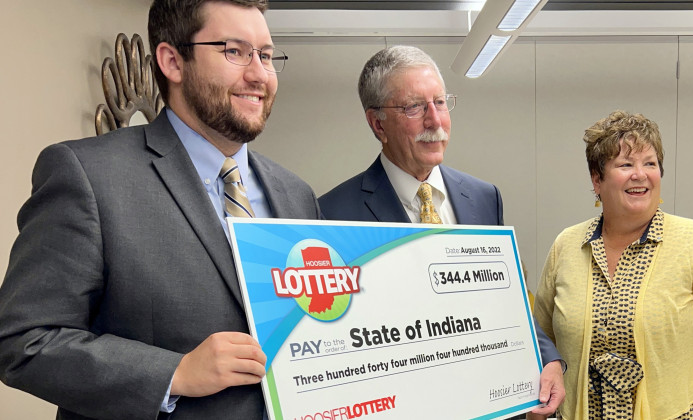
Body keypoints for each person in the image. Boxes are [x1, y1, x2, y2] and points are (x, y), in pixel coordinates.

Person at [0, 1, 321, 419]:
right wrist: (175, 372)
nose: (259, 74)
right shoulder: (87, 176)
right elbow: (23, 341)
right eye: (234, 51)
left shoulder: (297, 194)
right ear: (172, 61)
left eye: (265, 54)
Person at [318, 45, 565, 417]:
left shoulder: (484, 197)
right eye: (415, 107)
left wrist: (548, 360)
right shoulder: (331, 214)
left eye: (441, 102)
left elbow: (508, 300)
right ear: (377, 123)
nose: (436, 121)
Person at [533, 110, 693, 419]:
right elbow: (540, 342)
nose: (641, 174)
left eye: (650, 163)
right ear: (597, 178)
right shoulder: (567, 245)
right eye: (625, 164)